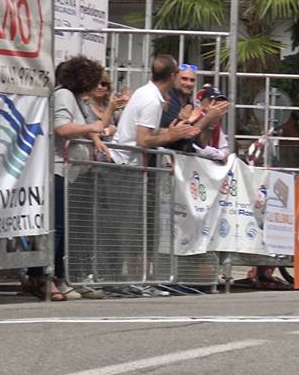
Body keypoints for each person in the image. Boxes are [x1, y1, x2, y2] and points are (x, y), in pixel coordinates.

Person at [24, 56, 106, 301]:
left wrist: (94, 137)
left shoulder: (74, 99)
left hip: (69, 173)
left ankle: (57, 276)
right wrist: (91, 129)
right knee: (56, 229)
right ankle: (43, 277)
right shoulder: (64, 96)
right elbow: (62, 127)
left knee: (63, 229)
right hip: (57, 170)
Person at [111, 54, 200, 165]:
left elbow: (145, 130)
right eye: (178, 72)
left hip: (122, 162)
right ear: (173, 76)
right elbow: (143, 140)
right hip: (121, 164)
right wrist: (170, 136)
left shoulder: (145, 91)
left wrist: (175, 132)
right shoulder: (152, 100)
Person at [192, 85, 231, 162]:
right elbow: (195, 147)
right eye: (212, 101)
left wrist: (221, 155)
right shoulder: (195, 117)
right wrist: (219, 155)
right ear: (203, 102)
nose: (217, 104)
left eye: (220, 101)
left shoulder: (216, 121)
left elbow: (225, 149)